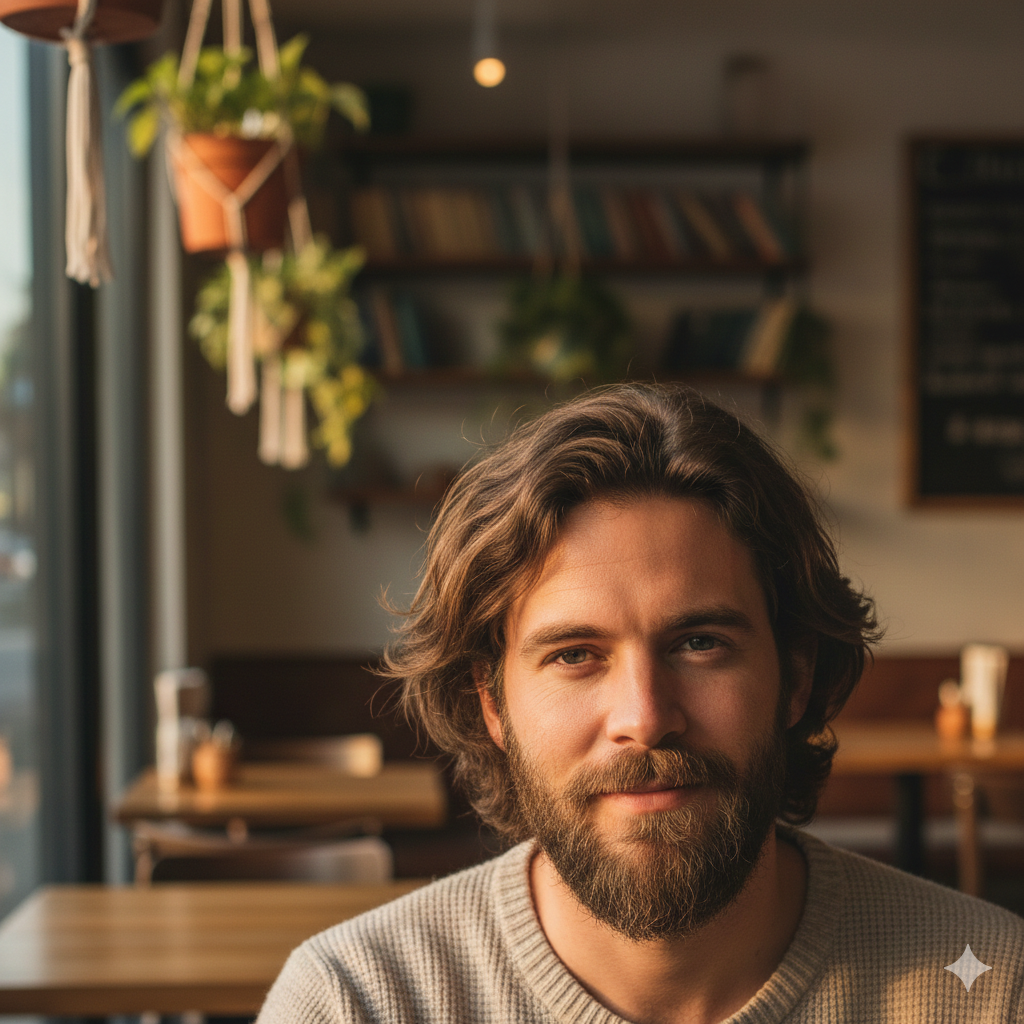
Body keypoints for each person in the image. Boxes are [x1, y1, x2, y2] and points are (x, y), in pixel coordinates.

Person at [257, 383, 1024, 1024]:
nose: (646, 716)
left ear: (795, 675)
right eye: (574, 656)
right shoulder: (357, 1002)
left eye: (700, 644)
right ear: (492, 703)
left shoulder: (987, 990)